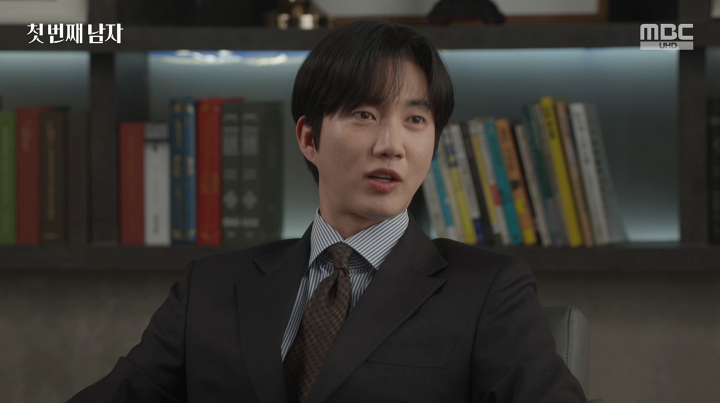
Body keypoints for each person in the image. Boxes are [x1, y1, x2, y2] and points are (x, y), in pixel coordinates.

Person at [66, 19, 588, 403]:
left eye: (415, 120)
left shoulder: (488, 290)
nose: (391, 145)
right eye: (364, 114)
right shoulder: (210, 289)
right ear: (309, 138)